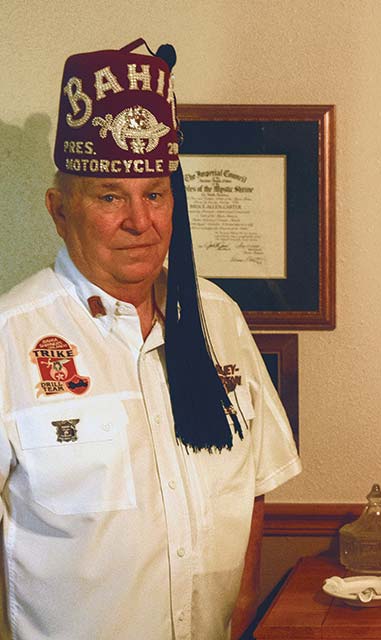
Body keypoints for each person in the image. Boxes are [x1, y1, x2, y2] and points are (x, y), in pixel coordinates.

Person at [0, 39, 301, 639]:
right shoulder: (12, 338)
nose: (140, 222)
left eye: (155, 195)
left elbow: (254, 489)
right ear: (59, 211)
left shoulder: (217, 318)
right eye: (111, 196)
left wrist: (241, 608)